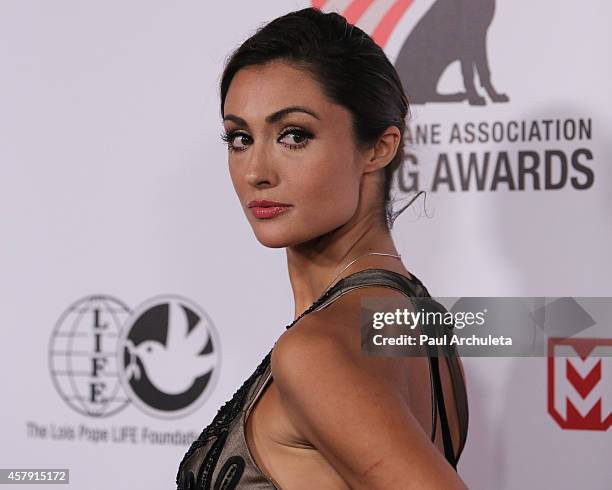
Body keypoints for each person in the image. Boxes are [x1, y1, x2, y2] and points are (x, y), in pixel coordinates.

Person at [177, 6, 468, 489]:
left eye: (294, 135)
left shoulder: (317, 351)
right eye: (240, 138)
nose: (255, 171)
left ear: (379, 147)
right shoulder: (418, 316)